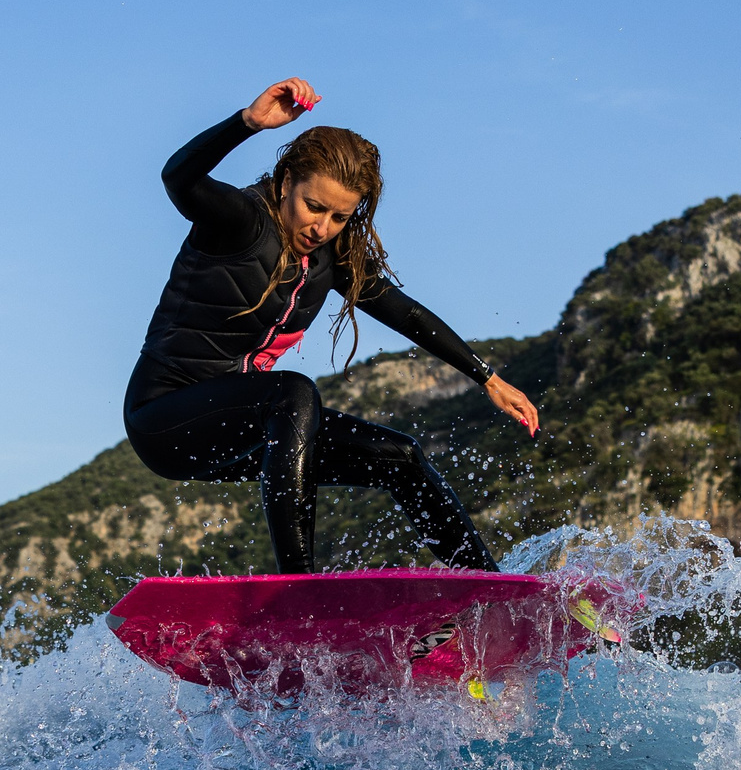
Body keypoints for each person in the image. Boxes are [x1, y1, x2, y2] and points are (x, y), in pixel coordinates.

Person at [123, 78, 541, 574]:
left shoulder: (331, 256)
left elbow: (403, 311)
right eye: (313, 206)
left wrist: (486, 377)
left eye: (340, 216)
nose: (321, 227)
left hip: (249, 429)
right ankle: (298, 586)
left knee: (401, 456)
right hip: (165, 420)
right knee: (294, 393)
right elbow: (178, 178)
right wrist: (248, 123)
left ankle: (486, 590)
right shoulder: (239, 220)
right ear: (285, 184)